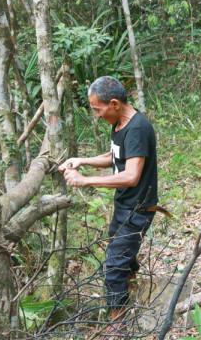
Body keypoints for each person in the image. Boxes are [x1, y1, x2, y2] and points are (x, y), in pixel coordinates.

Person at [59, 76, 158, 322]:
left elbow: (131, 175)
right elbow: (116, 156)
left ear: (114, 104)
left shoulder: (137, 128)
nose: (96, 115)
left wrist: (86, 180)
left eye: (97, 109)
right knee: (123, 255)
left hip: (138, 208)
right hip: (125, 205)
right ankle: (133, 290)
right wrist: (83, 160)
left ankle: (117, 325)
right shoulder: (121, 125)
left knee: (113, 268)